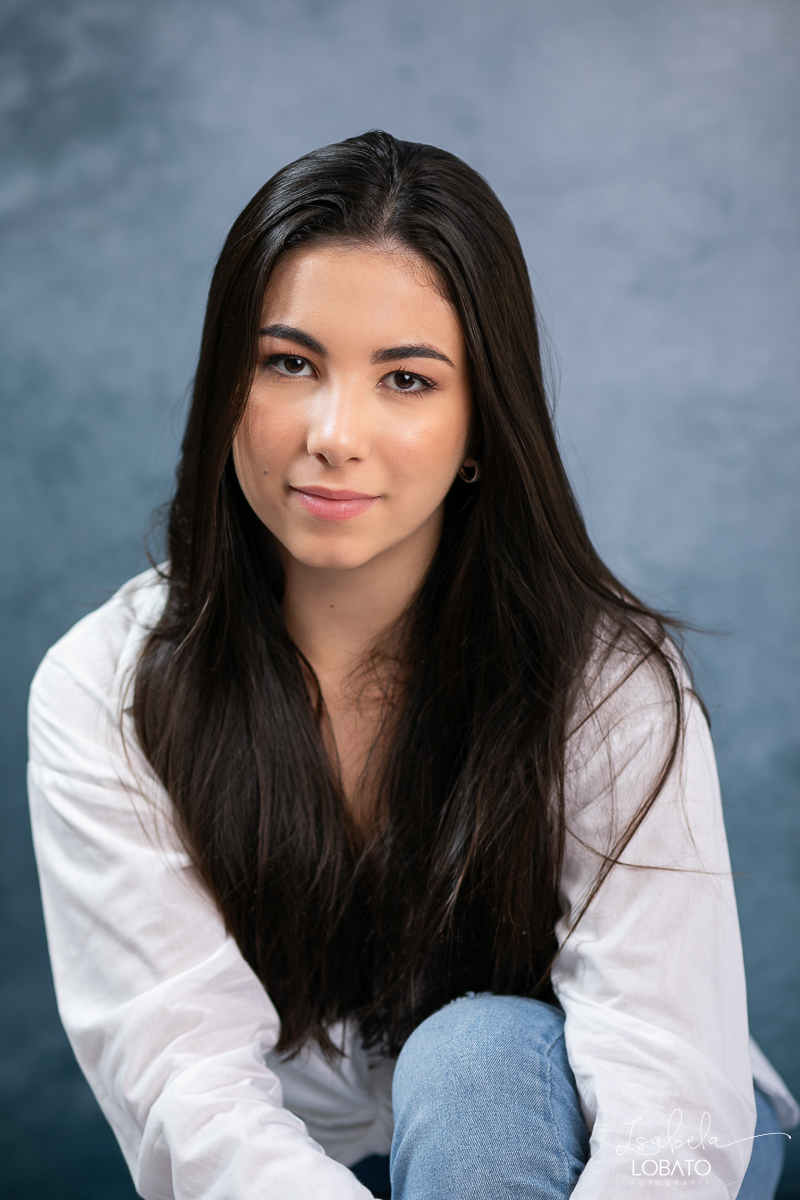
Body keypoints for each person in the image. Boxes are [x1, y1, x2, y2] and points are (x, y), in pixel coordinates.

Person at [28, 131, 798, 1200]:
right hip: (321, 1173)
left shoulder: (603, 680)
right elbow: (184, 1087)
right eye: (289, 364)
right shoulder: (104, 691)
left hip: (633, 1143)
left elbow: (666, 1092)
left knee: (475, 1060)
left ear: (480, 425)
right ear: (224, 388)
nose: (334, 435)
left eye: (405, 378)